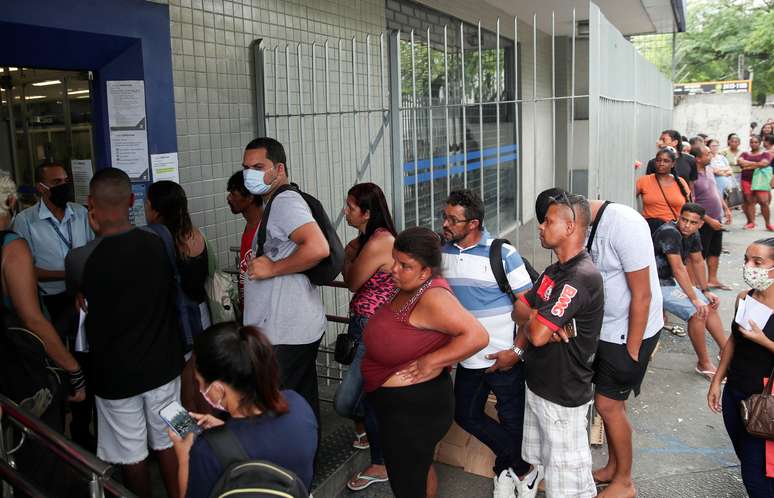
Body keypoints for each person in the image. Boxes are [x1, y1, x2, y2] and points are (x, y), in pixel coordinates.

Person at [535, 188, 663, 498]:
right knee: (609, 408)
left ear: (569, 218)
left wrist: (632, 351)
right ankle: (612, 469)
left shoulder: (624, 224)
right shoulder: (578, 229)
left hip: (629, 333)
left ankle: (625, 482)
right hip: (602, 332)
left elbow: (642, 294)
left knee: (609, 406)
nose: (545, 229)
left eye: (549, 221)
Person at [65, 168, 184, 498]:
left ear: (90, 205)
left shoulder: (78, 259)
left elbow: (80, 304)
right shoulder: (158, 241)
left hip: (114, 379)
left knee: (132, 455)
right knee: (173, 438)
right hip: (165, 369)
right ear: (132, 200)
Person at [361, 226, 488, 498]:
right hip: (402, 408)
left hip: (413, 411)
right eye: (395, 260)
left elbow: (477, 336)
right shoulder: (410, 286)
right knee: (417, 470)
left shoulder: (433, 297)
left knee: (407, 483)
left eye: (404, 265)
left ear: (426, 272)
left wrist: (433, 360)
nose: (394, 269)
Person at [439, 189, 537, 498]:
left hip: (505, 359)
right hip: (468, 358)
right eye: (444, 216)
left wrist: (516, 352)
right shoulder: (443, 253)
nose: (445, 224)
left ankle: (504, 473)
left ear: (474, 223)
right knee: (465, 414)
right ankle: (525, 467)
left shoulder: (502, 254)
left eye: (453, 219)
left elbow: (531, 312)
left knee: (512, 419)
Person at [512, 193, 603, 498]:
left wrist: (535, 321)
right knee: (550, 472)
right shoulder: (553, 272)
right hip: (540, 385)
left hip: (562, 395)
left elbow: (536, 335)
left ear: (570, 227)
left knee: (570, 487)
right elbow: (518, 310)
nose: (540, 226)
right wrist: (538, 317)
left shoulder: (579, 276)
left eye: (548, 220)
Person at [0, 174, 86, 495]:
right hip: (23, 362)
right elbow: (33, 319)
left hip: (5, 363)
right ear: (11, 202)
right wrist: (72, 369)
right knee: (40, 450)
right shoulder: (13, 247)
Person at [169, 323, 318, 498]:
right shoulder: (299, 406)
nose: (200, 389)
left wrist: (184, 455)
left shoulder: (207, 452)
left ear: (218, 389)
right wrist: (225, 434)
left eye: (199, 382)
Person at [242, 137, 329, 422]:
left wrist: (272, 268)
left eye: (258, 166)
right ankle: (303, 463)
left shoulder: (284, 202)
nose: (250, 174)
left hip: (284, 332)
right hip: (292, 327)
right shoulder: (277, 202)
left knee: (281, 412)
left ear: (279, 169)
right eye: (246, 168)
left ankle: (289, 465)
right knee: (300, 406)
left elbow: (317, 247)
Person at [12, 161, 95, 447]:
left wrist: (81, 279)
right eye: (57, 182)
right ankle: (59, 434)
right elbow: (27, 270)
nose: (64, 186)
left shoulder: (82, 214)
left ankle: (84, 432)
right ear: (41, 187)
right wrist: (69, 271)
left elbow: (94, 253)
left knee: (86, 365)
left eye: (66, 181)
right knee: (57, 368)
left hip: (83, 300)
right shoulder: (24, 222)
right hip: (49, 302)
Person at [335, 182, 396, 491]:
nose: (345, 211)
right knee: (365, 396)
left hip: (373, 329)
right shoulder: (368, 240)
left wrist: (347, 257)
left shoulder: (379, 242)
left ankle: (382, 462)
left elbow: (354, 281)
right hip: (363, 325)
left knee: (348, 401)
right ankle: (372, 440)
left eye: (350, 207)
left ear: (367, 213)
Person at [708, 238, 774, 497]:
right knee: (746, 457)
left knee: (755, 474)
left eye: (757, 262)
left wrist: (765, 341)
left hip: (765, 399)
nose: (749, 267)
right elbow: (733, 340)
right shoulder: (744, 298)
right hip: (735, 392)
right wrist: (717, 380)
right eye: (747, 260)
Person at [145, 180, 212, 413]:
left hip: (178, 322)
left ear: (155, 209)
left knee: (179, 385)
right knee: (198, 377)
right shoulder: (196, 235)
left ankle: (186, 437)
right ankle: (204, 429)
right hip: (201, 317)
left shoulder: (160, 242)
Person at [651, 203, 727, 379]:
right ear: (679, 216)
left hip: (671, 281)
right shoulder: (670, 232)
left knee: (709, 305)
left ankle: (727, 351)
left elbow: (698, 261)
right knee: (697, 312)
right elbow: (678, 268)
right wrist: (694, 299)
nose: (687, 225)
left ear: (700, 224)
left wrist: (705, 290)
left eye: (693, 222)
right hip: (655, 282)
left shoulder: (693, 234)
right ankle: (704, 363)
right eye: (684, 219)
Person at [691, 145, 732, 290]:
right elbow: (692, 202)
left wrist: (726, 209)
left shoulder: (709, 169)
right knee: (700, 253)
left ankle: (713, 280)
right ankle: (697, 285)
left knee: (715, 250)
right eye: (707, 154)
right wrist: (707, 220)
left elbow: (715, 191)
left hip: (717, 218)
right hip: (704, 221)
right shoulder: (692, 176)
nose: (711, 156)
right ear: (698, 158)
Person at [226, 170, 263, 313]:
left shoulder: (266, 229)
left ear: (250, 197)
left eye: (233, 194)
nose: (228, 198)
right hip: (250, 314)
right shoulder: (249, 225)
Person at [637, 147, 692, 233]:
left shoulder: (681, 182)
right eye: (658, 160)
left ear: (673, 164)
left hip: (674, 230)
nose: (661, 163)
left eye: (666, 161)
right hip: (650, 229)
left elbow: (689, 207)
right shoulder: (644, 181)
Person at [738, 135, 773, 230]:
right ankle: (751, 222)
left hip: (760, 180)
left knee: (764, 202)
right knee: (749, 201)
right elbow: (740, 162)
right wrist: (757, 165)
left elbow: (764, 164)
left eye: (756, 142)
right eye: (752, 142)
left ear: (760, 143)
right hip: (746, 180)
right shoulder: (745, 153)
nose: (753, 144)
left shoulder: (765, 154)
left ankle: (768, 224)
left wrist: (747, 165)